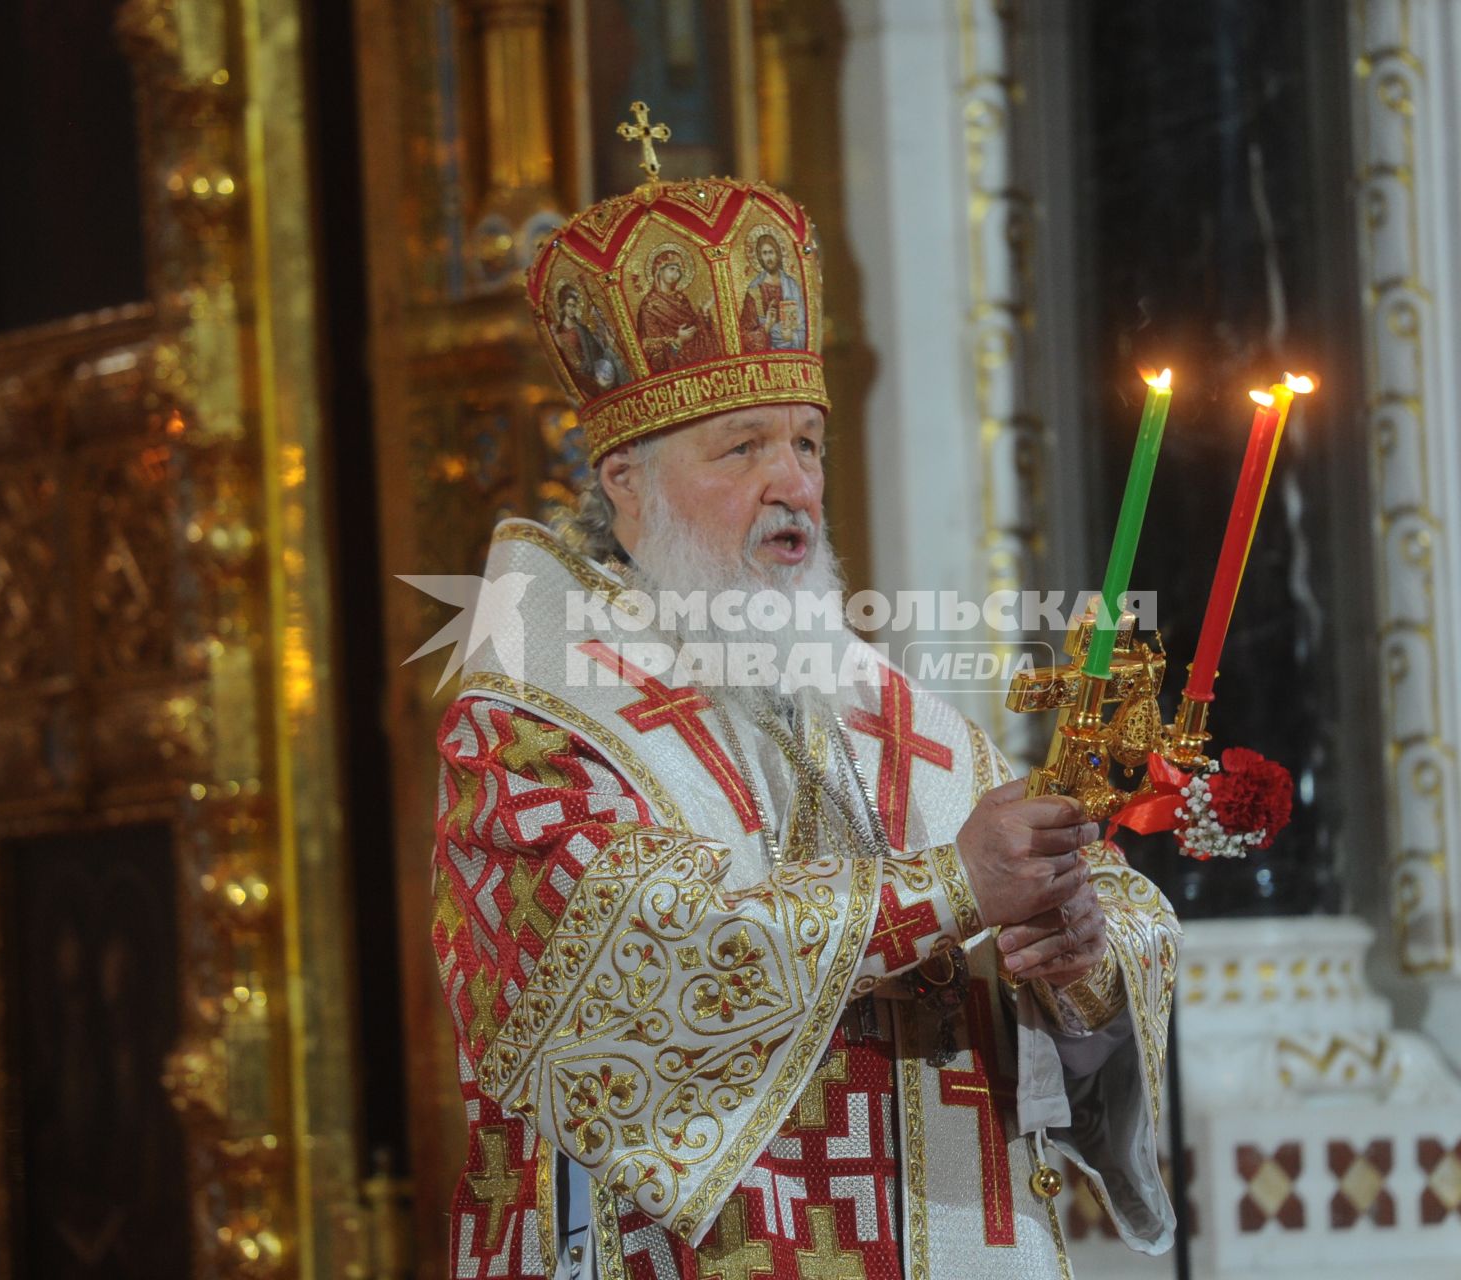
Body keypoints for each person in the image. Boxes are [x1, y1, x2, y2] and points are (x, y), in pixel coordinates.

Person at [432, 171, 1176, 1279]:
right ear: (626, 482)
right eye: (742, 448)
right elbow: (629, 970)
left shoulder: (889, 712)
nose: (795, 484)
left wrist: (1076, 952)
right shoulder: (532, 720)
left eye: (810, 444)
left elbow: (1105, 911)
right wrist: (952, 888)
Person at [634, 246, 722, 373]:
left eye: (678, 270)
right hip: (672, 363)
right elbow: (649, 346)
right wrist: (678, 341)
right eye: (672, 269)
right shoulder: (649, 305)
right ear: (659, 270)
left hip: (695, 354)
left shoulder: (681, 298)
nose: (676, 274)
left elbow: (695, 325)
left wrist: (704, 312)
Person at [738, 231, 807, 353]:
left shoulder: (792, 286)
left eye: (771, 252)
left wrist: (792, 336)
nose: (768, 258)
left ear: (778, 254)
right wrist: (767, 327)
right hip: (767, 356)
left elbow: (806, 326)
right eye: (764, 253)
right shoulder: (754, 290)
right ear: (760, 257)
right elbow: (744, 335)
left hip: (794, 355)